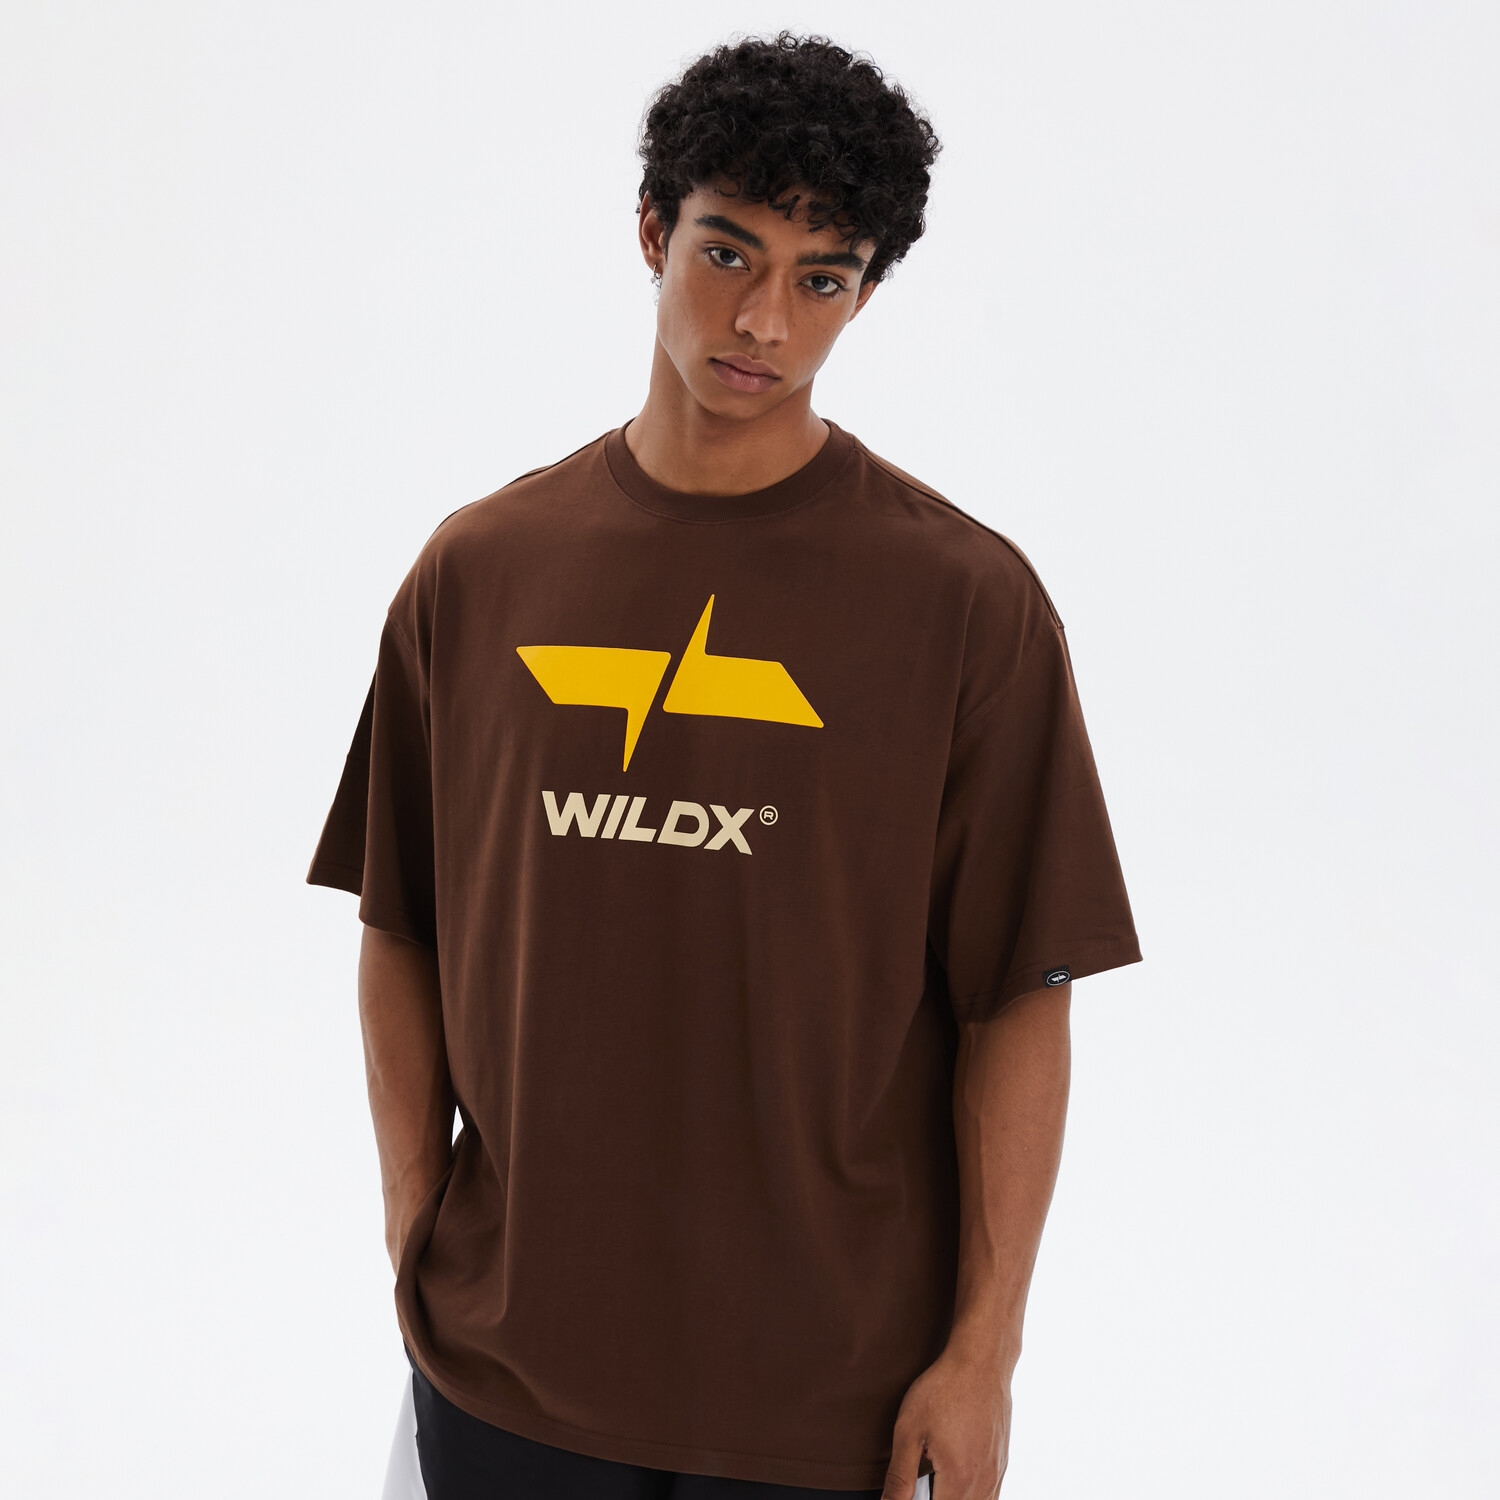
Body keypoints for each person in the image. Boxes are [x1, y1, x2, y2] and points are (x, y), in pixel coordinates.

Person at [307, 30, 1142, 1500]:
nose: (763, 319)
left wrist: (985, 1353)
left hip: (830, 1399)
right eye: (728, 253)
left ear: (868, 292)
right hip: (506, 1374)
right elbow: (400, 921)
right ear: (653, 230)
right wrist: (415, 1221)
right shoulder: (481, 571)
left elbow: (1020, 992)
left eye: (823, 278)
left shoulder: (963, 603)